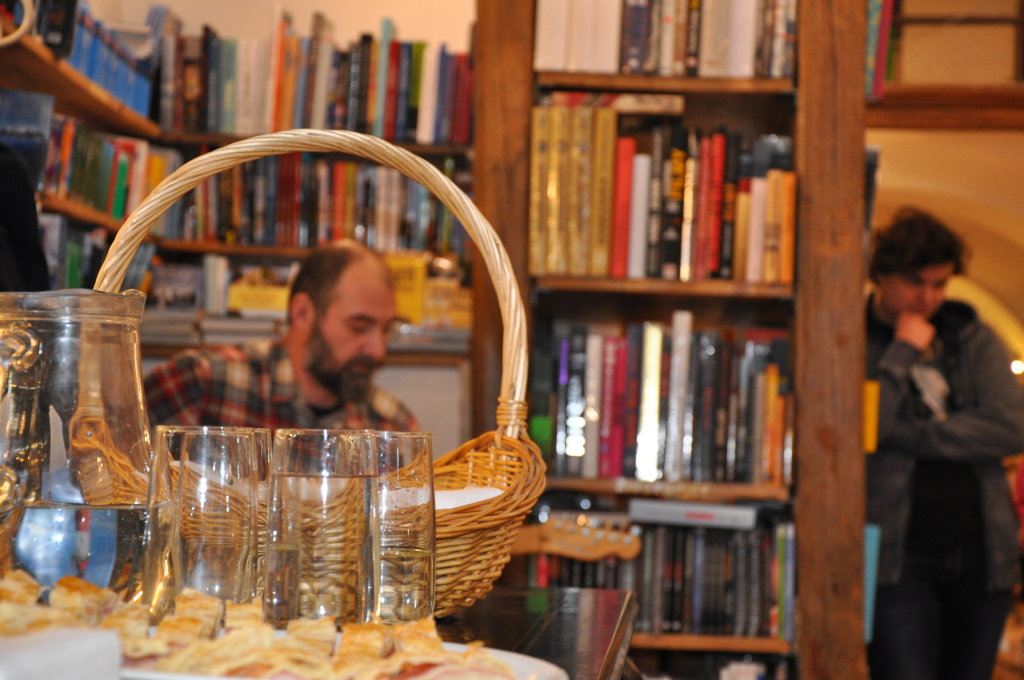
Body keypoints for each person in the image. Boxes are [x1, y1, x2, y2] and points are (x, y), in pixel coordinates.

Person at [865, 206, 1024, 680]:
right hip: (897, 559)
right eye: (915, 282)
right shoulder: (854, 337)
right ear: (883, 274)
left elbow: (1013, 425)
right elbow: (863, 429)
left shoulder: (973, 337)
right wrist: (902, 352)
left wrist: (912, 437)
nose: (928, 297)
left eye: (940, 284)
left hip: (981, 555)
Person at [144, 239, 418, 432]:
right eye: (359, 326)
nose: (378, 350)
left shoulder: (392, 425)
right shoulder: (201, 382)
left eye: (385, 330)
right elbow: (123, 481)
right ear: (303, 313)